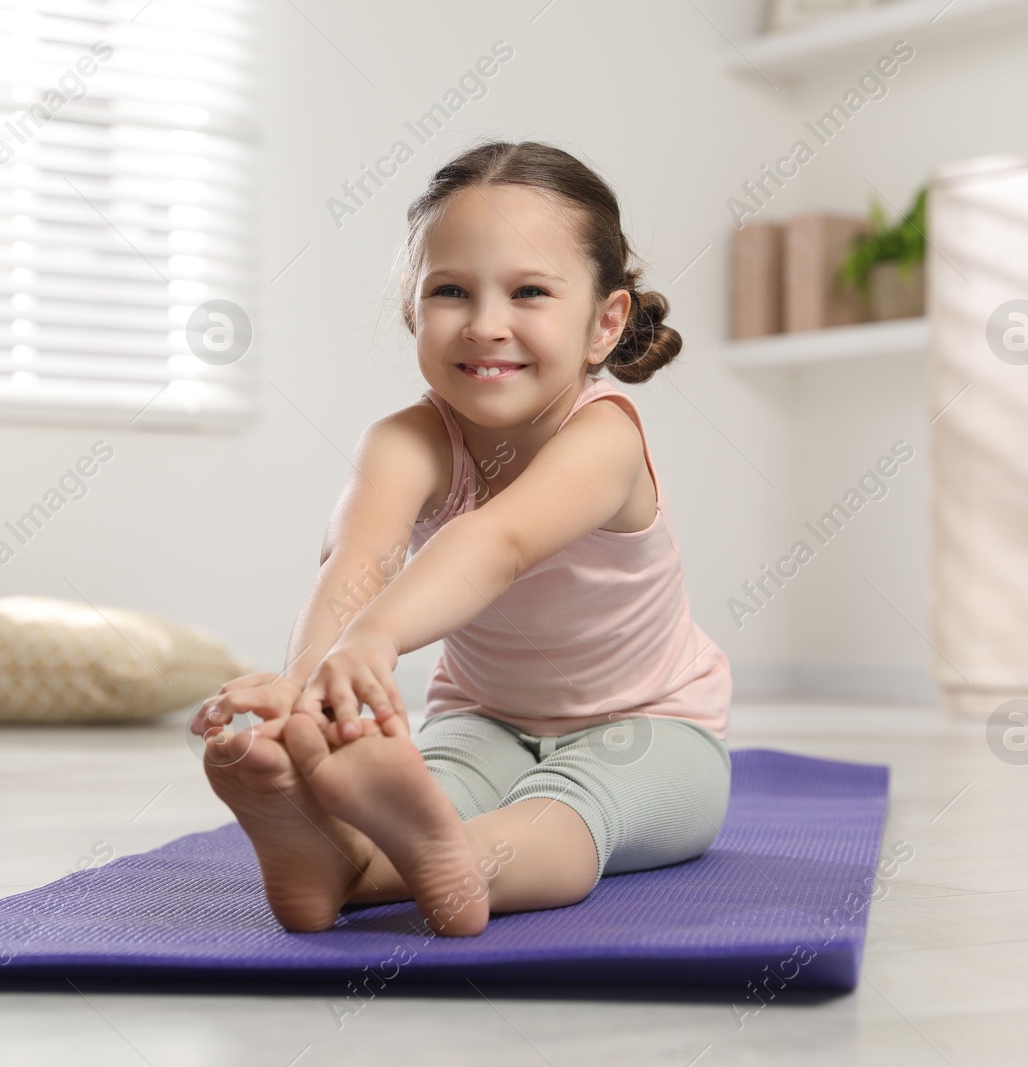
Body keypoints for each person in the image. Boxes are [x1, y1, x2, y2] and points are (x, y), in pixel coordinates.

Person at [190, 140, 732, 937]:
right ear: (414, 306)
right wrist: (302, 684)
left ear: (604, 323)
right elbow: (360, 557)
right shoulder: (403, 441)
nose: (486, 325)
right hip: (483, 719)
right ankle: (337, 859)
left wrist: (373, 641)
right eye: (451, 290)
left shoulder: (605, 438)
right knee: (427, 788)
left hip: (651, 726)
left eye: (529, 292)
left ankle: (446, 866)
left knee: (573, 812)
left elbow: (496, 542)